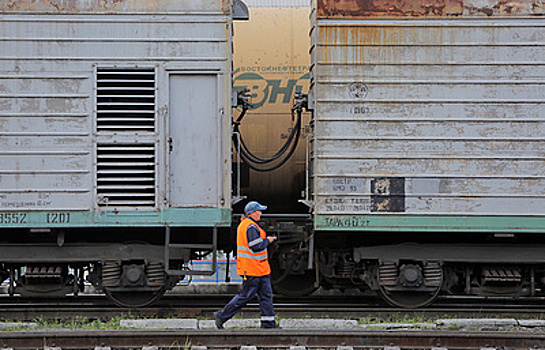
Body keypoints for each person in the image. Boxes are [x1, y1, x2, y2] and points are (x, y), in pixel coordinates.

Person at [214, 201, 279, 329]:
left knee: (266, 296)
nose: (261, 213)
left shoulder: (247, 225)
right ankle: (221, 316)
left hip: (260, 270)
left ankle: (268, 323)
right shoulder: (250, 226)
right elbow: (256, 246)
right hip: (252, 270)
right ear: (253, 213)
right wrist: (268, 240)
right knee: (246, 296)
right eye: (259, 211)